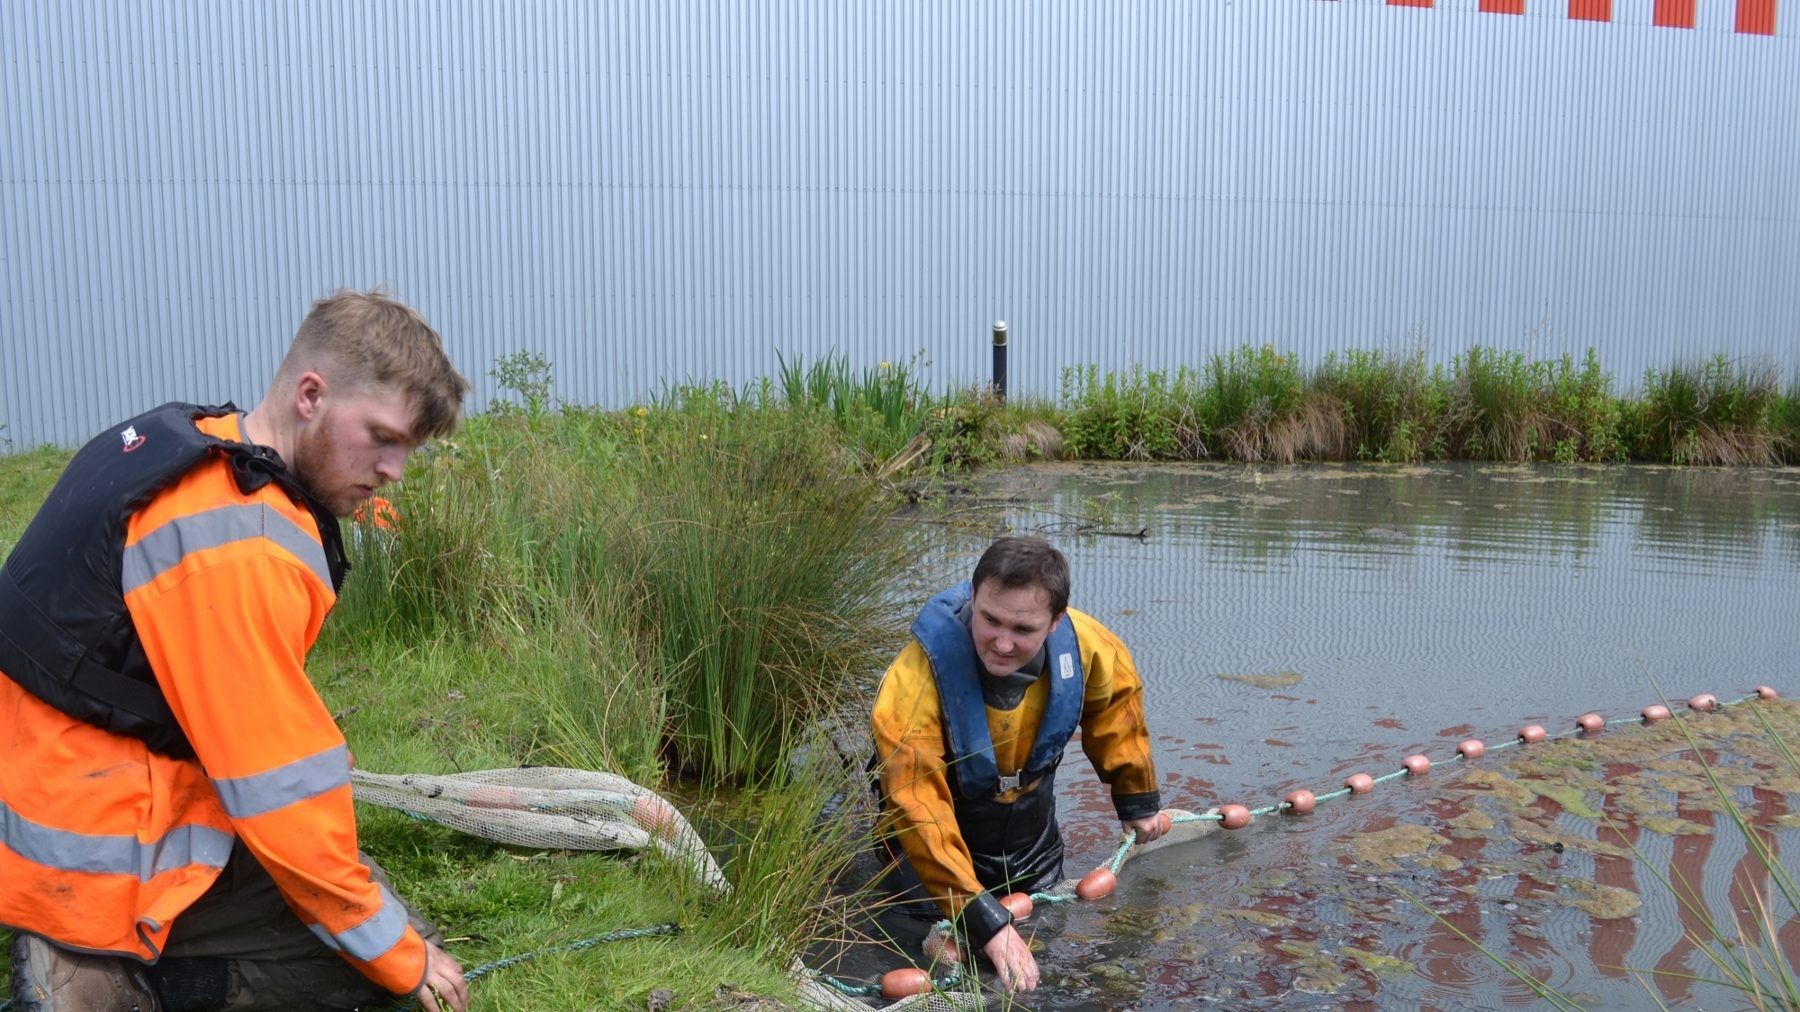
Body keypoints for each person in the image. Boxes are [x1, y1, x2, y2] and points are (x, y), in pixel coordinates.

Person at [0, 290, 473, 1012]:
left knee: (359, 909)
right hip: (88, 849)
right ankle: (93, 978)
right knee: (380, 954)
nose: (394, 470)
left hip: (50, 787)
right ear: (311, 395)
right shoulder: (238, 547)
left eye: (407, 448)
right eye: (382, 436)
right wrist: (401, 957)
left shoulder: (194, 440)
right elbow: (277, 790)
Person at [870, 536, 1168, 994]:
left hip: (1032, 847)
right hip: (923, 861)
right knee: (938, 970)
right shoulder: (912, 684)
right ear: (974, 597)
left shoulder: (1090, 648)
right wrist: (983, 919)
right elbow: (917, 807)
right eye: (990, 620)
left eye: (1023, 629)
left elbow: (1118, 711)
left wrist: (1137, 799)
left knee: (1040, 972)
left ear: (1055, 621)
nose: (1002, 643)